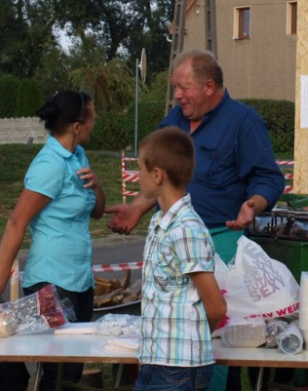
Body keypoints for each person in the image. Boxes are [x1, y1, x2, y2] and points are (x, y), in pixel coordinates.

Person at [107, 49, 284, 390]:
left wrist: (254, 203)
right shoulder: (174, 119)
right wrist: (138, 207)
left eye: (183, 88)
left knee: (217, 345)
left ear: (209, 86)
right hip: (170, 239)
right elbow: (161, 177)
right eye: (175, 87)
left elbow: (269, 178)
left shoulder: (243, 121)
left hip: (221, 241)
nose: (177, 95)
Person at [0, 90, 105, 391]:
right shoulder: (50, 165)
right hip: (51, 283)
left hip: (80, 280)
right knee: (55, 373)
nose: (96, 123)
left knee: (72, 370)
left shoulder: (78, 156)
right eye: (93, 117)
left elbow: (96, 212)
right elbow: (16, 222)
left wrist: (97, 186)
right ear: (76, 126)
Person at [134, 127, 227, 391]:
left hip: (178, 368)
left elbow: (216, 307)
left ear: (157, 175)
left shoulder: (186, 230)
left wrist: (191, 340)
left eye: (140, 169)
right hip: (155, 361)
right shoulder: (159, 220)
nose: (137, 176)